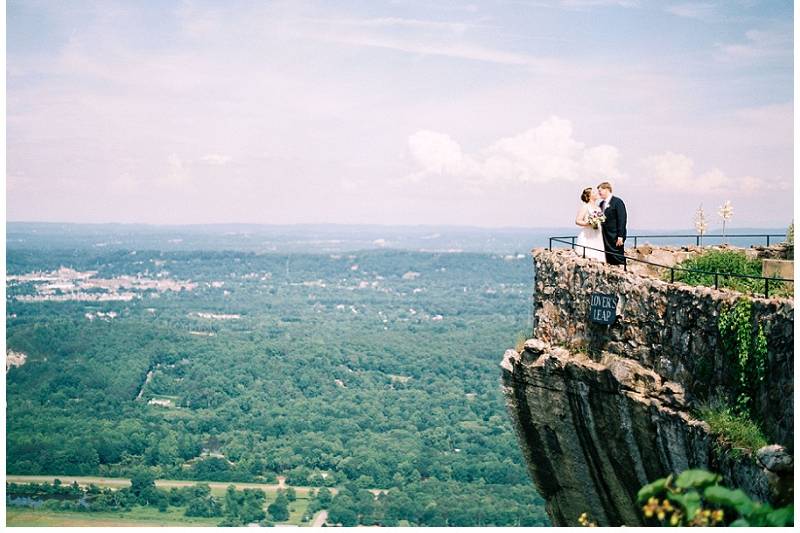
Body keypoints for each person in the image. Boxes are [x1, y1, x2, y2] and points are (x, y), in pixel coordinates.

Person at [597, 181, 627, 265]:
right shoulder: (601, 204)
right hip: (605, 235)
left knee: (618, 257)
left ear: (607, 189)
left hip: (615, 236)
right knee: (607, 257)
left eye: (600, 191)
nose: (599, 193)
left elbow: (622, 219)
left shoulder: (618, 202)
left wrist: (620, 236)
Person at [574, 187, 606, 262]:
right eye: (594, 193)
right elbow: (577, 221)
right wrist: (588, 223)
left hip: (597, 233)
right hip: (588, 234)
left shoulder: (598, 208)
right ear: (589, 196)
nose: (596, 194)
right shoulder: (585, 206)